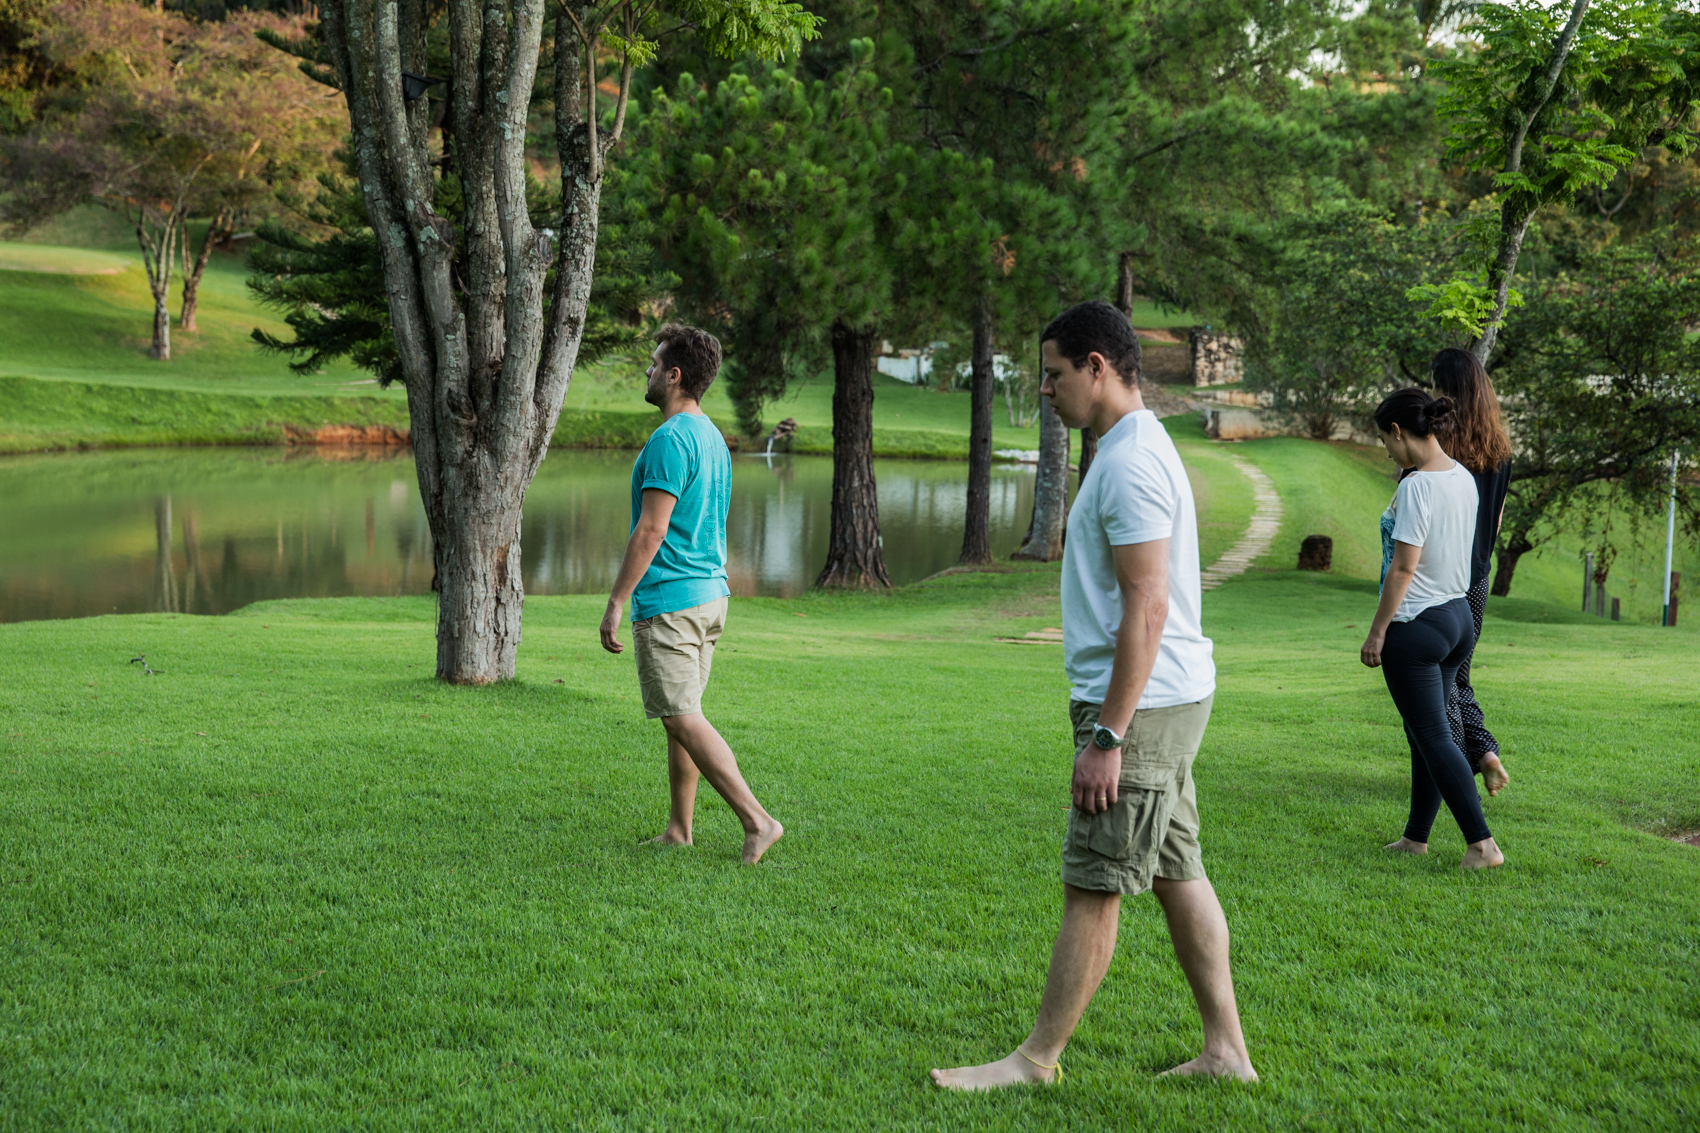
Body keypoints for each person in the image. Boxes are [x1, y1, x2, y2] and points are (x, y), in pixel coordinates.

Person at [931, 301, 1256, 1090]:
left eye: (1054, 374)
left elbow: (1148, 605)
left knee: (1093, 881)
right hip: (1161, 699)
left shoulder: (1133, 462)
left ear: (1099, 368)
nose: (1047, 390)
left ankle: (1035, 1059)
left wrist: (1108, 736)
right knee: (1179, 869)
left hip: (1140, 709)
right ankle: (1227, 1051)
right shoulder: (1129, 448)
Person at [599, 324, 783, 866]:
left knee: (680, 716)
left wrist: (615, 601)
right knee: (683, 715)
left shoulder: (669, 441)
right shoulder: (711, 438)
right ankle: (680, 829)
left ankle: (758, 820)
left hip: (672, 600)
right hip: (711, 597)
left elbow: (651, 531)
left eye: (654, 364)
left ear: (675, 375)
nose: (648, 371)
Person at [1362, 388, 1504, 870]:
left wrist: (1378, 631)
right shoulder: (1463, 477)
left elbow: (1403, 569)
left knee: (1432, 733)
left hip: (1416, 625)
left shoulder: (1417, 486)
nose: (1386, 451)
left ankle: (1482, 844)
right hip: (1456, 617)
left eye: (1385, 441)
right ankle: (1415, 838)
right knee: (1424, 733)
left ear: (1400, 432)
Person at [1429, 348, 1512, 797]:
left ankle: (1455, 772)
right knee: (1457, 673)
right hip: (1477, 576)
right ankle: (1483, 753)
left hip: (1439, 577)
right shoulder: (1499, 449)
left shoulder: (1439, 446)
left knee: (1439, 682)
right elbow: (1495, 521)